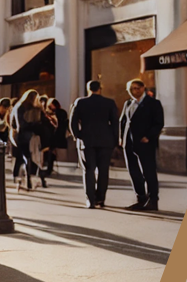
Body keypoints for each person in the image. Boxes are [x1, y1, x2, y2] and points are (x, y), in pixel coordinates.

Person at [69, 80, 120, 209]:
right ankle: (100, 198)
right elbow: (115, 123)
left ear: (88, 89)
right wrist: (114, 140)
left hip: (87, 141)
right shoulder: (109, 103)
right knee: (103, 171)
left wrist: (78, 135)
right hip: (105, 140)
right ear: (100, 89)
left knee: (88, 170)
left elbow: (72, 122)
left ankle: (90, 199)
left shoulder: (80, 102)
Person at [120, 79, 164, 211]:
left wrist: (149, 137)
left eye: (137, 88)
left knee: (148, 171)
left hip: (145, 143)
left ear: (143, 88)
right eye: (131, 89)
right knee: (133, 171)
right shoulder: (128, 103)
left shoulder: (153, 103)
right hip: (128, 143)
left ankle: (153, 200)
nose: (135, 91)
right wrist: (121, 137)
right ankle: (141, 198)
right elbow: (122, 121)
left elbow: (159, 123)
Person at [9, 90, 45, 191]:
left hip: (22, 135)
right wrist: (35, 124)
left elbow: (14, 124)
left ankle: (21, 180)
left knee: (23, 158)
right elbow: (22, 124)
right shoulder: (23, 108)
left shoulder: (20, 107)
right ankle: (27, 179)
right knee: (28, 157)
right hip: (26, 135)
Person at [43, 98, 69, 177]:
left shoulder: (57, 113)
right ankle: (49, 168)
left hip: (55, 135)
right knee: (52, 152)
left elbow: (58, 125)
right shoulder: (62, 112)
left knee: (51, 152)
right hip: (59, 135)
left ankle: (49, 169)